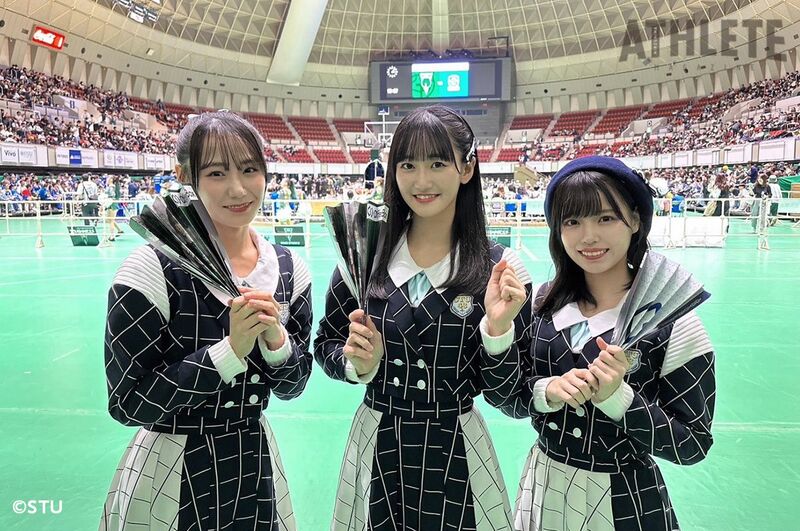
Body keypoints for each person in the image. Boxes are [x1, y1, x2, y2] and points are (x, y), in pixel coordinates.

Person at [314, 104, 532, 530]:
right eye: (407, 164)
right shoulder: (363, 254)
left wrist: (498, 330)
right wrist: (356, 365)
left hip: (459, 446)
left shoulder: (502, 270)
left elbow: (507, 395)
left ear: (467, 169)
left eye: (437, 163)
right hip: (377, 438)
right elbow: (326, 343)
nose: (421, 180)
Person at [100, 111, 313, 530]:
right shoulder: (150, 269)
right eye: (216, 173)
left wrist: (276, 342)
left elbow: (293, 386)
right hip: (170, 467)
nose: (238, 189)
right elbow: (127, 402)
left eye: (249, 170)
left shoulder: (289, 269)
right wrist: (229, 353)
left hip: (254, 459)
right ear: (185, 176)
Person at [488, 156, 716, 531]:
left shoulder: (674, 321)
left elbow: (692, 443)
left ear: (636, 221)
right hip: (543, 489)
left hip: (628, 498)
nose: (588, 236)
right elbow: (506, 399)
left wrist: (618, 399)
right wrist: (537, 379)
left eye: (606, 218)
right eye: (572, 221)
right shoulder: (539, 305)